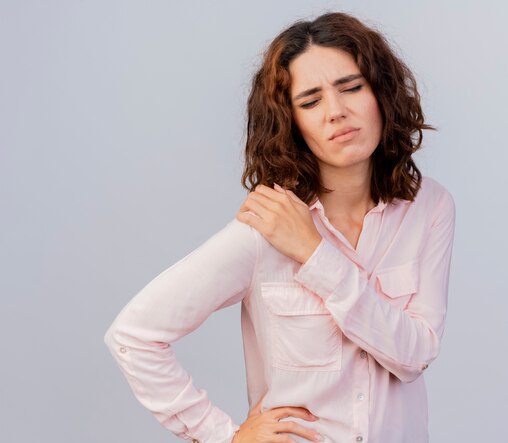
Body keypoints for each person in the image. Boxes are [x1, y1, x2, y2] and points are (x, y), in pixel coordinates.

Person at [104, 11, 456, 443]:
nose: (336, 112)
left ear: (381, 93)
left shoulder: (430, 207)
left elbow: (414, 355)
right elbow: (133, 336)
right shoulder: (263, 230)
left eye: (351, 88)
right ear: (291, 122)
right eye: (310, 102)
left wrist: (316, 255)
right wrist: (224, 436)